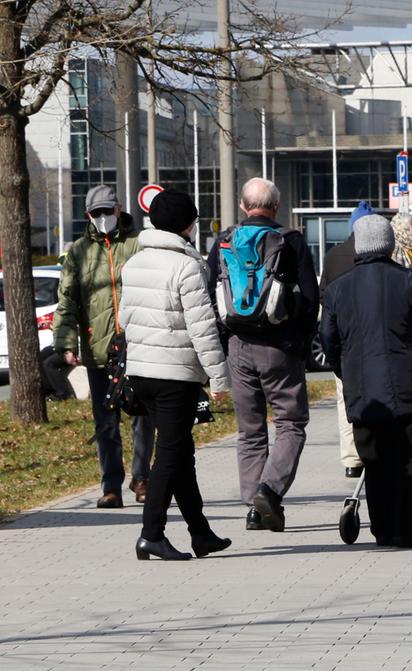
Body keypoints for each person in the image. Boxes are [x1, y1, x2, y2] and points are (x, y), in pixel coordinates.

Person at [323, 215, 412, 547]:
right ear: (389, 244)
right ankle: (406, 528)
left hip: (362, 391)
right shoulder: (411, 282)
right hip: (410, 386)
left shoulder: (337, 289)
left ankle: (382, 527)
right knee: (411, 459)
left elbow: (328, 338)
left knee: (375, 460)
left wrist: (345, 371)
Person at [117, 190, 231, 561]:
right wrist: (219, 378)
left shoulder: (133, 263)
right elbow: (202, 329)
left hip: (141, 373)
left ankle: (201, 534)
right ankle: (151, 534)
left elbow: (124, 321)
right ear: (187, 225)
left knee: (181, 453)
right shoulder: (187, 266)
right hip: (175, 375)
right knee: (169, 454)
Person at [206, 177, 319, 533]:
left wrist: (226, 344)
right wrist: (300, 346)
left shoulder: (224, 241)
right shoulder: (290, 241)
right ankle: (269, 490)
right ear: (277, 207)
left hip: (239, 345)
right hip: (280, 347)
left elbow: (212, 292)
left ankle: (253, 509)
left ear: (242, 206)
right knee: (290, 423)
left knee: (250, 431)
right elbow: (310, 299)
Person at [53, 184, 155, 508]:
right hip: (98, 352)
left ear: (119, 209)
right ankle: (110, 485)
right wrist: (66, 342)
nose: (103, 218)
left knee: (142, 417)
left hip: (137, 347)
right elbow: (67, 301)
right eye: (96, 213)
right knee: (105, 422)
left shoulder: (138, 245)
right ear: (88, 216)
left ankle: (141, 480)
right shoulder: (79, 252)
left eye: (107, 211)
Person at [320, 201, 375, 479]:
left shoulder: (333, 256)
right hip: (374, 339)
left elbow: (323, 296)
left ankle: (353, 459)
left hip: (344, 340)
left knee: (345, 402)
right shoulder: (380, 253)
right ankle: (376, 450)